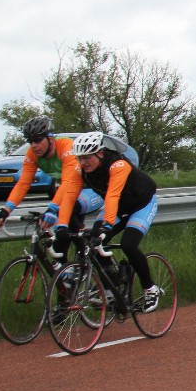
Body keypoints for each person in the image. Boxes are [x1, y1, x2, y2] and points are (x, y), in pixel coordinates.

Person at [59, 131, 163, 312]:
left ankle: (150, 289)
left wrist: (106, 225)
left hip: (141, 204)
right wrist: (61, 225)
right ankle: (110, 287)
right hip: (118, 208)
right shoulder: (81, 170)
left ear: (100, 153)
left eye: (87, 157)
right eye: (80, 158)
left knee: (128, 244)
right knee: (93, 243)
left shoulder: (118, 165)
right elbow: (69, 197)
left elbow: (113, 195)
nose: (83, 162)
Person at [0, 116, 103, 260]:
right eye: (30, 141)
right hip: (69, 192)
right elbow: (23, 184)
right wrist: (6, 210)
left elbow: (68, 181)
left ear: (50, 138)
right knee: (61, 238)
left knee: (65, 214)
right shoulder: (32, 154)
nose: (33, 145)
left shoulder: (66, 147)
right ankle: (67, 268)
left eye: (37, 140)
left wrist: (52, 208)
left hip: (91, 190)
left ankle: (96, 259)